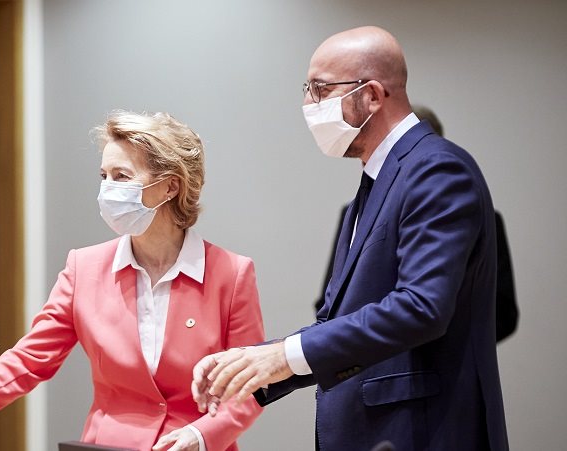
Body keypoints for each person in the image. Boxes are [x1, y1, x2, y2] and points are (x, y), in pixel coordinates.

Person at [191, 27, 509, 450]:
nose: (308, 105)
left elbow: (421, 307)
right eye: (307, 89)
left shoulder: (436, 170)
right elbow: (341, 321)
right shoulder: (376, 181)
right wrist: (253, 365)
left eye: (321, 90)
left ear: (373, 95)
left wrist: (283, 355)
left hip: (422, 433)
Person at [0, 111, 264, 451]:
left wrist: (201, 436)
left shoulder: (231, 274)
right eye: (104, 176)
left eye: (122, 176)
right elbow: (30, 358)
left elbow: (250, 388)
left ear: (170, 185)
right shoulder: (83, 268)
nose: (107, 190)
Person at [313, 105, 519, 343]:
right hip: (363, 371)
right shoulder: (353, 212)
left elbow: (502, 313)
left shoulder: (479, 213)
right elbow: (332, 305)